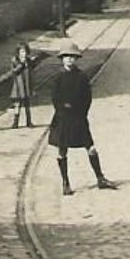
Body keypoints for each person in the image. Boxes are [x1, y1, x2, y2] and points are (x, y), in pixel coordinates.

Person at [48, 43, 117, 194]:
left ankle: (100, 178)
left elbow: (87, 97)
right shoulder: (58, 77)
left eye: (72, 57)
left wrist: (81, 113)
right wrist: (64, 109)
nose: (69, 60)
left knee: (91, 148)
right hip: (63, 119)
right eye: (67, 57)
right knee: (62, 151)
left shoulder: (81, 76)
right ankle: (66, 183)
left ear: (76, 59)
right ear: (62, 59)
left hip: (79, 118)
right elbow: (55, 99)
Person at [8, 40, 35, 128]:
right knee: (17, 104)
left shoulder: (28, 60)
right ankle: (15, 122)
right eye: (22, 51)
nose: (24, 54)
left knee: (27, 104)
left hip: (26, 84)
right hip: (18, 85)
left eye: (26, 51)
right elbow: (14, 71)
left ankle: (29, 121)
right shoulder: (15, 60)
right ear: (18, 52)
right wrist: (22, 64)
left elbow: (31, 71)